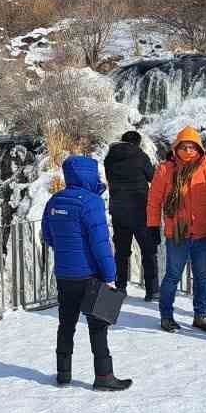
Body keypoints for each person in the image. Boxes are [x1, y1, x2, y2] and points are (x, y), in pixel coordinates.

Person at [41, 156, 132, 391]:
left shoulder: (54, 201)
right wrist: (110, 275)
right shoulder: (91, 202)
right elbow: (100, 244)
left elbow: (48, 236)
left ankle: (63, 373)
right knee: (98, 326)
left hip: (64, 274)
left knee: (66, 324)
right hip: (90, 274)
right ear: (89, 175)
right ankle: (103, 376)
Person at [146, 126, 206, 333]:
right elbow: (154, 201)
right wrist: (153, 226)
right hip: (177, 233)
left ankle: (200, 315)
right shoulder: (166, 169)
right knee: (173, 275)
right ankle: (166, 316)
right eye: (185, 146)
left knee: (202, 276)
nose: (189, 150)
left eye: (193, 146)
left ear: (199, 148)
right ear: (177, 147)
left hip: (203, 231)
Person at [103, 130, 158, 300]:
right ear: (138, 143)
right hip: (140, 210)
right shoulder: (141, 157)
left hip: (119, 211)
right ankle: (152, 290)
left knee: (121, 252)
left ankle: (121, 287)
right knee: (148, 251)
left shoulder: (109, 159)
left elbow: (110, 179)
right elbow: (153, 177)